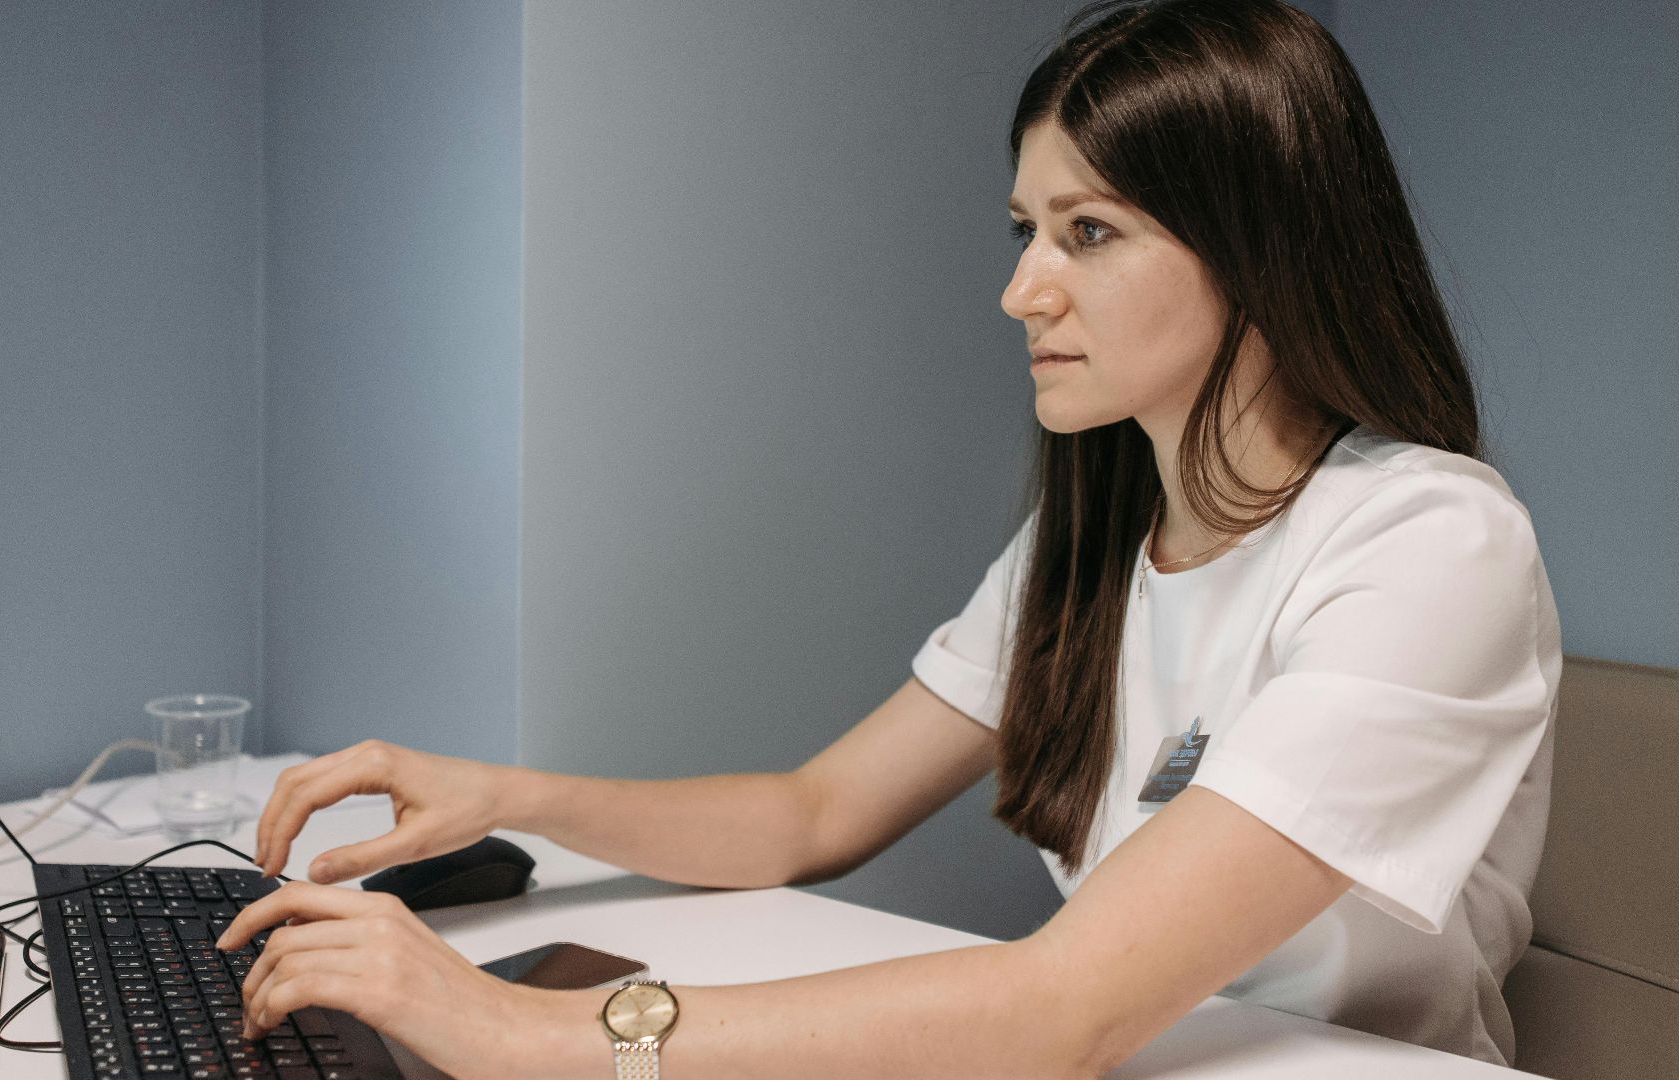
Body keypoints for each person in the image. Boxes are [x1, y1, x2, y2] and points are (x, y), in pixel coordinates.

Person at [213, 1, 1562, 1075]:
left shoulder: (1432, 546)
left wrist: (535, 1038)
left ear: (1260, 248)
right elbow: (811, 816)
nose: (1020, 288)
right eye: (1028, 229)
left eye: (1088, 233)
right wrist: (514, 798)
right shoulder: (1086, 546)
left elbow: (1060, 1006)